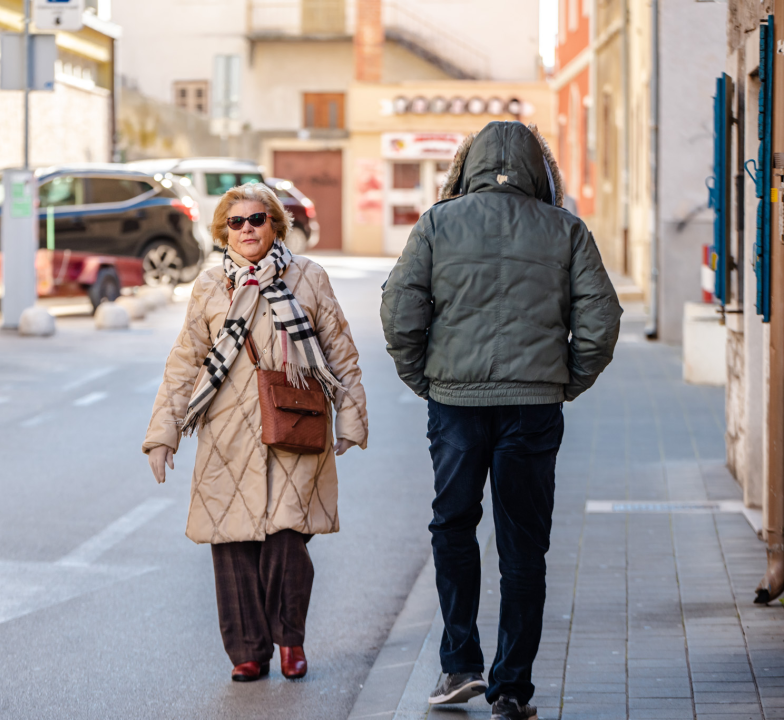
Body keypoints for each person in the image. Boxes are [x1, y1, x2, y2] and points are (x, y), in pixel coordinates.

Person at [380, 121, 622, 720]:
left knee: (453, 526)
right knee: (523, 546)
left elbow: (399, 311)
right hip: (533, 407)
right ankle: (511, 688)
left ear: (468, 164)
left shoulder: (438, 223)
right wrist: (564, 380)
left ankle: (460, 663)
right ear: (542, 169)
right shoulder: (567, 229)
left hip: (456, 405)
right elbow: (602, 321)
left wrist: (425, 379)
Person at [143, 183, 368, 683]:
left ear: (275, 225)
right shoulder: (209, 287)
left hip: (294, 426)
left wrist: (351, 419)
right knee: (232, 545)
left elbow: (341, 352)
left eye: (257, 219)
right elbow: (183, 364)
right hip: (226, 435)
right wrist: (163, 435)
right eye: (236, 222)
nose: (247, 229)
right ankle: (247, 650)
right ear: (224, 231)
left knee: (288, 541)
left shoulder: (308, 277)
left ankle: (290, 640)